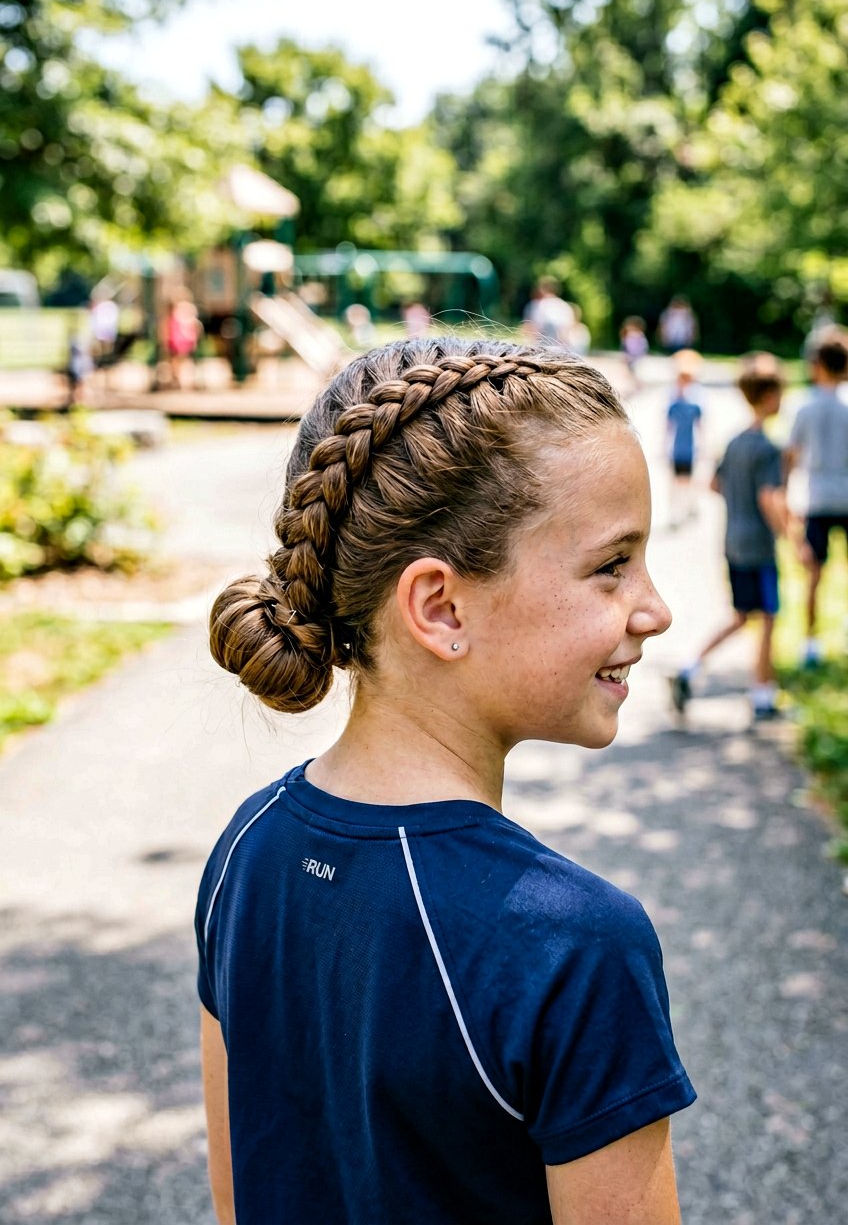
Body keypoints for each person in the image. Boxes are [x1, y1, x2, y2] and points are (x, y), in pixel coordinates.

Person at [198, 338, 696, 1225]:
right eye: (612, 564)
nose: (655, 608)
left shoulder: (245, 846)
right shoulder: (574, 945)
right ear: (439, 608)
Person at [671, 357, 787, 721]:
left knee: (740, 616)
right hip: (759, 546)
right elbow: (770, 498)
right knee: (767, 617)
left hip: (732, 540)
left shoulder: (735, 442)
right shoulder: (768, 449)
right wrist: (790, 533)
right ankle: (763, 695)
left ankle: (690, 668)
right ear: (769, 397)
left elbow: (714, 483)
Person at [785, 332, 848, 667]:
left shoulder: (804, 404)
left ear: (818, 364)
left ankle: (810, 642)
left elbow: (791, 455)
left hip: (818, 498)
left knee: (814, 574)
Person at [666, 350, 704, 528]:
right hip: (677, 448)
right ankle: (675, 511)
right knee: (675, 482)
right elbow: (667, 426)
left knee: (688, 481)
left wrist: (703, 445)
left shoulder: (695, 404)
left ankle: (689, 507)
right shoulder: (674, 404)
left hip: (690, 448)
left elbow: (701, 426)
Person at [522, 276, 575, 347]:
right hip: (561, 347)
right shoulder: (564, 306)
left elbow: (533, 328)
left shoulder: (538, 305)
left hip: (542, 345)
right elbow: (568, 329)